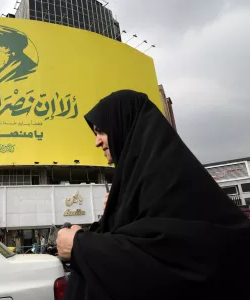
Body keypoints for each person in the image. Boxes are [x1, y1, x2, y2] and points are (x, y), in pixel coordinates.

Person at [56, 90, 250, 299]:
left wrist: (80, 246)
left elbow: (166, 260)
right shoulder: (140, 183)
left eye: (101, 131)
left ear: (124, 127)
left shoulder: (169, 179)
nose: (97, 142)